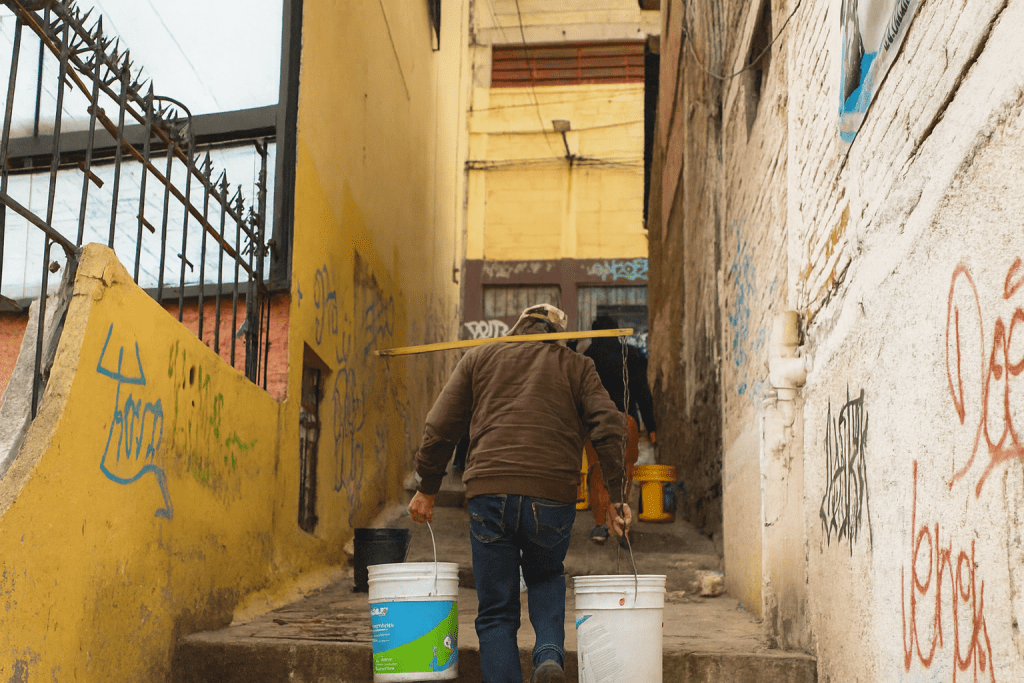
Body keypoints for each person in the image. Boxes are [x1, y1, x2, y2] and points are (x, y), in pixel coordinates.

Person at [408, 303, 631, 683]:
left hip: (488, 491)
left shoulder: (479, 358)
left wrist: (427, 487)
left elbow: (441, 425)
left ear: (518, 327)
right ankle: (547, 656)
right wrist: (614, 494)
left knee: (496, 609)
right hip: (552, 493)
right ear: (561, 335)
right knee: (546, 576)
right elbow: (609, 427)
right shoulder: (576, 366)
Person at [582, 315, 657, 545]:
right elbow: (643, 391)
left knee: (597, 470)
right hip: (626, 420)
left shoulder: (585, 359)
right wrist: (652, 427)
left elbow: (577, 397)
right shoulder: (632, 355)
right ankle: (622, 526)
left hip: (593, 421)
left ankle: (600, 525)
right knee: (624, 472)